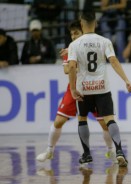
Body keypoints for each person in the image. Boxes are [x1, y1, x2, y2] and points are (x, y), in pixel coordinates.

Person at [36, 21, 116, 163]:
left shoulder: (94, 46)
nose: (73, 36)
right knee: (58, 121)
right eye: (71, 34)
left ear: (84, 32)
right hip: (74, 90)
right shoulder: (71, 49)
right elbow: (67, 70)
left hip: (94, 89)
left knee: (104, 124)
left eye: (76, 33)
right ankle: (49, 151)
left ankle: (111, 151)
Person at [68, 10, 131, 166]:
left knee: (82, 119)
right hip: (102, 87)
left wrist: (72, 88)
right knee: (109, 119)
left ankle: (86, 154)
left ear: (81, 24)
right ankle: (119, 151)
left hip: (84, 88)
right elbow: (114, 61)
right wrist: (126, 80)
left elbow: (71, 67)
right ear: (96, 23)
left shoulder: (74, 44)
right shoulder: (105, 41)